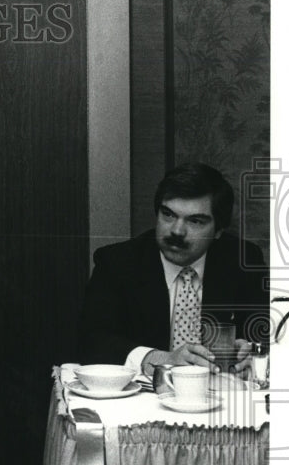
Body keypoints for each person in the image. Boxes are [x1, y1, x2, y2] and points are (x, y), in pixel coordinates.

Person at [78, 162, 268, 379]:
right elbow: (91, 341)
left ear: (218, 231)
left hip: (217, 396)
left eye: (195, 221)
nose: (177, 231)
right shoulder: (118, 262)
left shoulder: (243, 261)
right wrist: (160, 359)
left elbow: (266, 335)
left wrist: (250, 351)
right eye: (168, 215)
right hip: (144, 398)